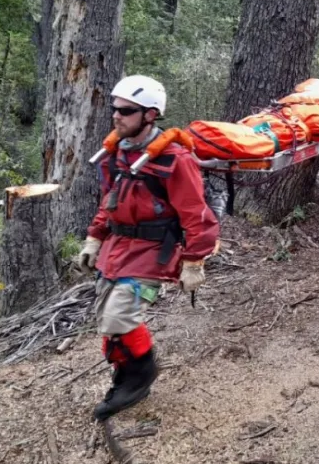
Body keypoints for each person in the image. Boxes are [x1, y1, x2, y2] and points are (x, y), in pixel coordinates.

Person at [76, 76, 220, 421]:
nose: (116, 116)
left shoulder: (174, 160)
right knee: (107, 322)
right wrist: (95, 238)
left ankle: (141, 376)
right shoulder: (116, 154)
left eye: (126, 111)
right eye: (115, 109)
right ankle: (125, 376)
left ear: (150, 115)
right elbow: (109, 201)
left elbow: (196, 214)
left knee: (119, 315)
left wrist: (194, 261)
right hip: (118, 245)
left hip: (154, 250)